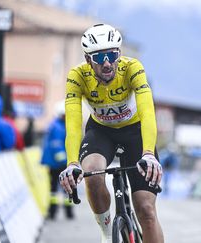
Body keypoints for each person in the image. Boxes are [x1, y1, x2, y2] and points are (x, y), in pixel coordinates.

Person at [59, 24, 164, 243]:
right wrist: (71, 162)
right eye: (99, 57)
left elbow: (147, 113)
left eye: (111, 55)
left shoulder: (133, 68)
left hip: (135, 132)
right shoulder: (77, 76)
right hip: (102, 131)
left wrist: (148, 153)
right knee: (92, 172)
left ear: (119, 54)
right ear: (88, 60)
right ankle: (108, 235)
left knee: (146, 209)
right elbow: (73, 123)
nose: (107, 63)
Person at [41, 100, 74, 220]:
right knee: (65, 188)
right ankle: (66, 212)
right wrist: (65, 162)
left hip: (53, 163)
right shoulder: (58, 127)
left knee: (54, 189)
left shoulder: (55, 125)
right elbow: (57, 146)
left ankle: (53, 212)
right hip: (58, 164)